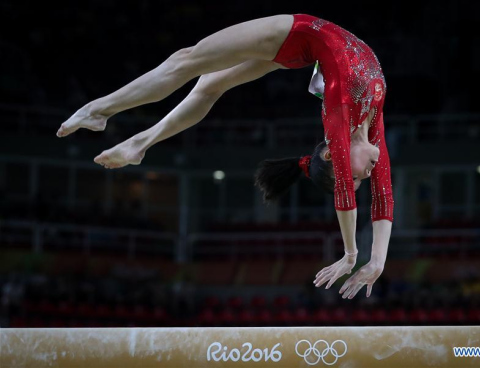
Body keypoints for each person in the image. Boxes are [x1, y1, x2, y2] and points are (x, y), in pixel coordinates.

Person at [56, 14, 393, 299]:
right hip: (295, 35)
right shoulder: (359, 119)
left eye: (359, 177)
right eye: (360, 176)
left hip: (298, 42)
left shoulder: (343, 115)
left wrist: (375, 261)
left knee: (192, 67)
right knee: (192, 67)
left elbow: (380, 194)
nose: (367, 174)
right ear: (336, 156)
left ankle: (130, 136)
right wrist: (356, 255)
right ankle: (105, 114)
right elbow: (357, 190)